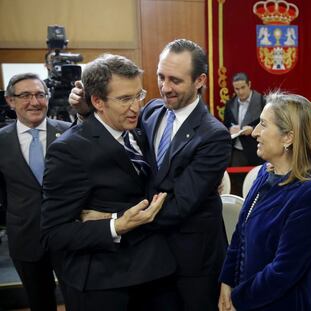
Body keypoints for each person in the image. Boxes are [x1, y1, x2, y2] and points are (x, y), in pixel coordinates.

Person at [70, 39, 232, 311]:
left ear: (200, 80)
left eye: (175, 81)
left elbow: (180, 206)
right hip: (148, 257)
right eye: (160, 77)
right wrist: (90, 111)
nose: (165, 87)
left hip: (192, 263)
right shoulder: (152, 110)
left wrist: (117, 221)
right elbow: (121, 149)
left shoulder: (214, 135)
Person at [41, 54, 177, 311]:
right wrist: (116, 225)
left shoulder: (139, 130)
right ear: (97, 101)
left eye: (139, 95)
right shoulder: (69, 149)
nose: (136, 107)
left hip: (156, 273)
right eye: (125, 99)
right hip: (106, 284)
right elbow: (53, 234)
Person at [219, 92, 311, 311]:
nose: (255, 133)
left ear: (288, 137)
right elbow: (240, 233)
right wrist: (226, 283)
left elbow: (283, 271)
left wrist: (238, 299)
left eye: (263, 124)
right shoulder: (264, 174)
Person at [0, 73, 71, 311]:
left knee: (79, 297)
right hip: (25, 237)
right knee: (39, 301)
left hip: (69, 235)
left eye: (40, 94)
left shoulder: (70, 133)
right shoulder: (1, 141)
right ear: (11, 101)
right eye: (25, 95)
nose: (35, 102)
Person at [223, 72, 266, 167]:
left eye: (243, 87)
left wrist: (253, 129)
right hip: (237, 151)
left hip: (258, 150)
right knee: (237, 180)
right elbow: (225, 126)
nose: (240, 92)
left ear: (249, 85)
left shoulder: (262, 101)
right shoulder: (230, 104)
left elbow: (269, 125)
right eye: (237, 89)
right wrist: (230, 130)